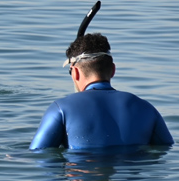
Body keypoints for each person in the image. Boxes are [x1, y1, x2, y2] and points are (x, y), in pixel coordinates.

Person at [30, 33, 173, 150]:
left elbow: (37, 155)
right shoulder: (146, 108)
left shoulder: (60, 109)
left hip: (84, 178)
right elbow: (167, 149)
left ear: (75, 73)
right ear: (113, 70)